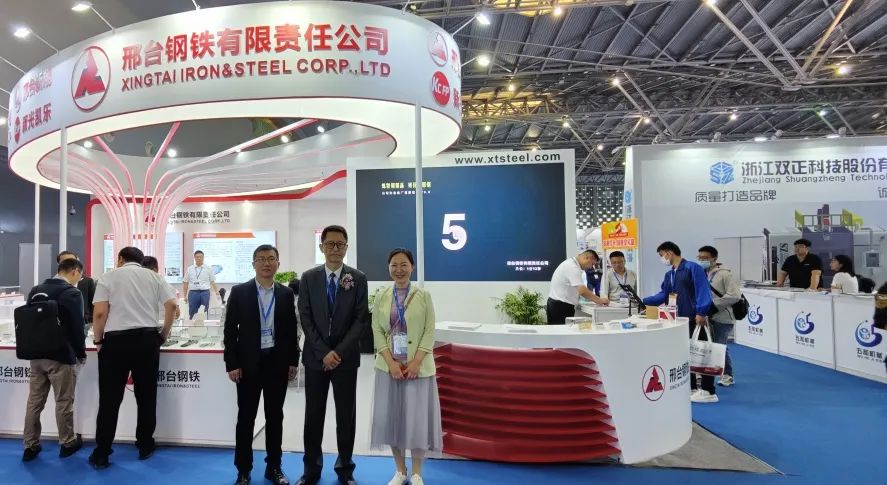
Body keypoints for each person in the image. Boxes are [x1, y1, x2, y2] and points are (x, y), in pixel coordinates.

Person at [88, 247, 177, 470]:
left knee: (109, 399)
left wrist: (98, 340)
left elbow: (100, 313)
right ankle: (145, 444)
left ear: (120, 259)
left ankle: (102, 452)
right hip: (147, 340)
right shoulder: (154, 277)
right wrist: (163, 334)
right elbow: (172, 305)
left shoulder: (108, 277)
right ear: (140, 260)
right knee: (146, 396)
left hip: (115, 343)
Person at [297, 225, 369, 485]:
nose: (335, 249)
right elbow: (305, 317)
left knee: (346, 418)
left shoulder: (357, 278)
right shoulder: (308, 277)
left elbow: (360, 320)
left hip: (345, 360)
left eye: (340, 244)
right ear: (322, 247)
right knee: (313, 417)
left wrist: (337, 353)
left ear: (346, 247)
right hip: (316, 360)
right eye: (330, 244)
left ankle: (345, 470)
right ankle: (311, 470)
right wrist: (323, 352)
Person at [224, 244, 300, 485]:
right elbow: (230, 331)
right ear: (253, 263)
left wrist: (293, 361)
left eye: (271, 258)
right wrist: (231, 363)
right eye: (261, 259)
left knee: (275, 418)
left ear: (278, 263)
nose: (266, 263)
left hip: (277, 364)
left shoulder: (286, 294)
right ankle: (243, 469)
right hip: (248, 365)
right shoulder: (240, 292)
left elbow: (291, 331)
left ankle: (274, 467)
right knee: (246, 418)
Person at [370, 249, 442, 485]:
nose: (398, 269)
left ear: (412, 267)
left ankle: (417, 472)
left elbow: (429, 331)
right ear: (388, 267)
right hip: (389, 369)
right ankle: (400, 471)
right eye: (394, 265)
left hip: (417, 370)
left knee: (417, 420)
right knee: (394, 421)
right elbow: (377, 330)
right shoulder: (381, 295)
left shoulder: (423, 296)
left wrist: (416, 362)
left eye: (403, 264)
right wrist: (391, 363)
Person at [21, 258, 87, 462]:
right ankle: (67, 442)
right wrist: (81, 353)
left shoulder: (36, 290)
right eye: (80, 276)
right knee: (64, 401)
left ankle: (30, 445)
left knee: (34, 402)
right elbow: (77, 326)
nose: (79, 280)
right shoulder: (71, 293)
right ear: (75, 271)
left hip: (35, 354)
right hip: (60, 355)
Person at [642, 242, 716, 403]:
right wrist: (643, 301)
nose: (662, 259)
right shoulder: (670, 274)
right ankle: (691, 387)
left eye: (661, 255)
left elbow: (703, 290)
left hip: (695, 318)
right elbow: (664, 295)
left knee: (703, 353)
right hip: (678, 320)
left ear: (669, 253)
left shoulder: (692, 268)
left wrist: (701, 312)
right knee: (685, 355)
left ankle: (708, 390)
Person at [698, 246, 741, 388]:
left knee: (719, 346)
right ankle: (705, 374)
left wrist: (714, 305)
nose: (702, 260)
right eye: (700, 258)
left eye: (705, 258)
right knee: (712, 346)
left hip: (723, 316)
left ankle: (727, 375)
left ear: (714, 258)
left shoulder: (724, 274)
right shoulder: (702, 273)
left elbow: (734, 295)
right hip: (707, 316)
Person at [547, 250, 609, 324]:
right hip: (561, 307)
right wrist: (600, 300)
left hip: (557, 304)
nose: (590, 267)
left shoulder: (570, 263)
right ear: (587, 258)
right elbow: (582, 290)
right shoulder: (572, 267)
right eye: (592, 264)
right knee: (562, 330)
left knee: (557, 330)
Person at [57, 251, 96, 326]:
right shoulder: (53, 282)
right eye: (65, 262)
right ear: (59, 264)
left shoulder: (87, 281)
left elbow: (93, 304)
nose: (69, 264)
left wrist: (90, 321)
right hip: (60, 324)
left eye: (72, 261)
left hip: (83, 323)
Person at [182, 250, 218, 319]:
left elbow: (212, 281)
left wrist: (217, 292)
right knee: (192, 310)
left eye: (200, 257)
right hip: (193, 293)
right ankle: (192, 324)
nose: (199, 258)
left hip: (205, 292)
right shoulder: (190, 269)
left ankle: (204, 325)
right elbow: (185, 282)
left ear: (203, 258)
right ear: (194, 258)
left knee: (204, 310)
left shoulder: (208, 268)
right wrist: (185, 295)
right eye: (197, 257)